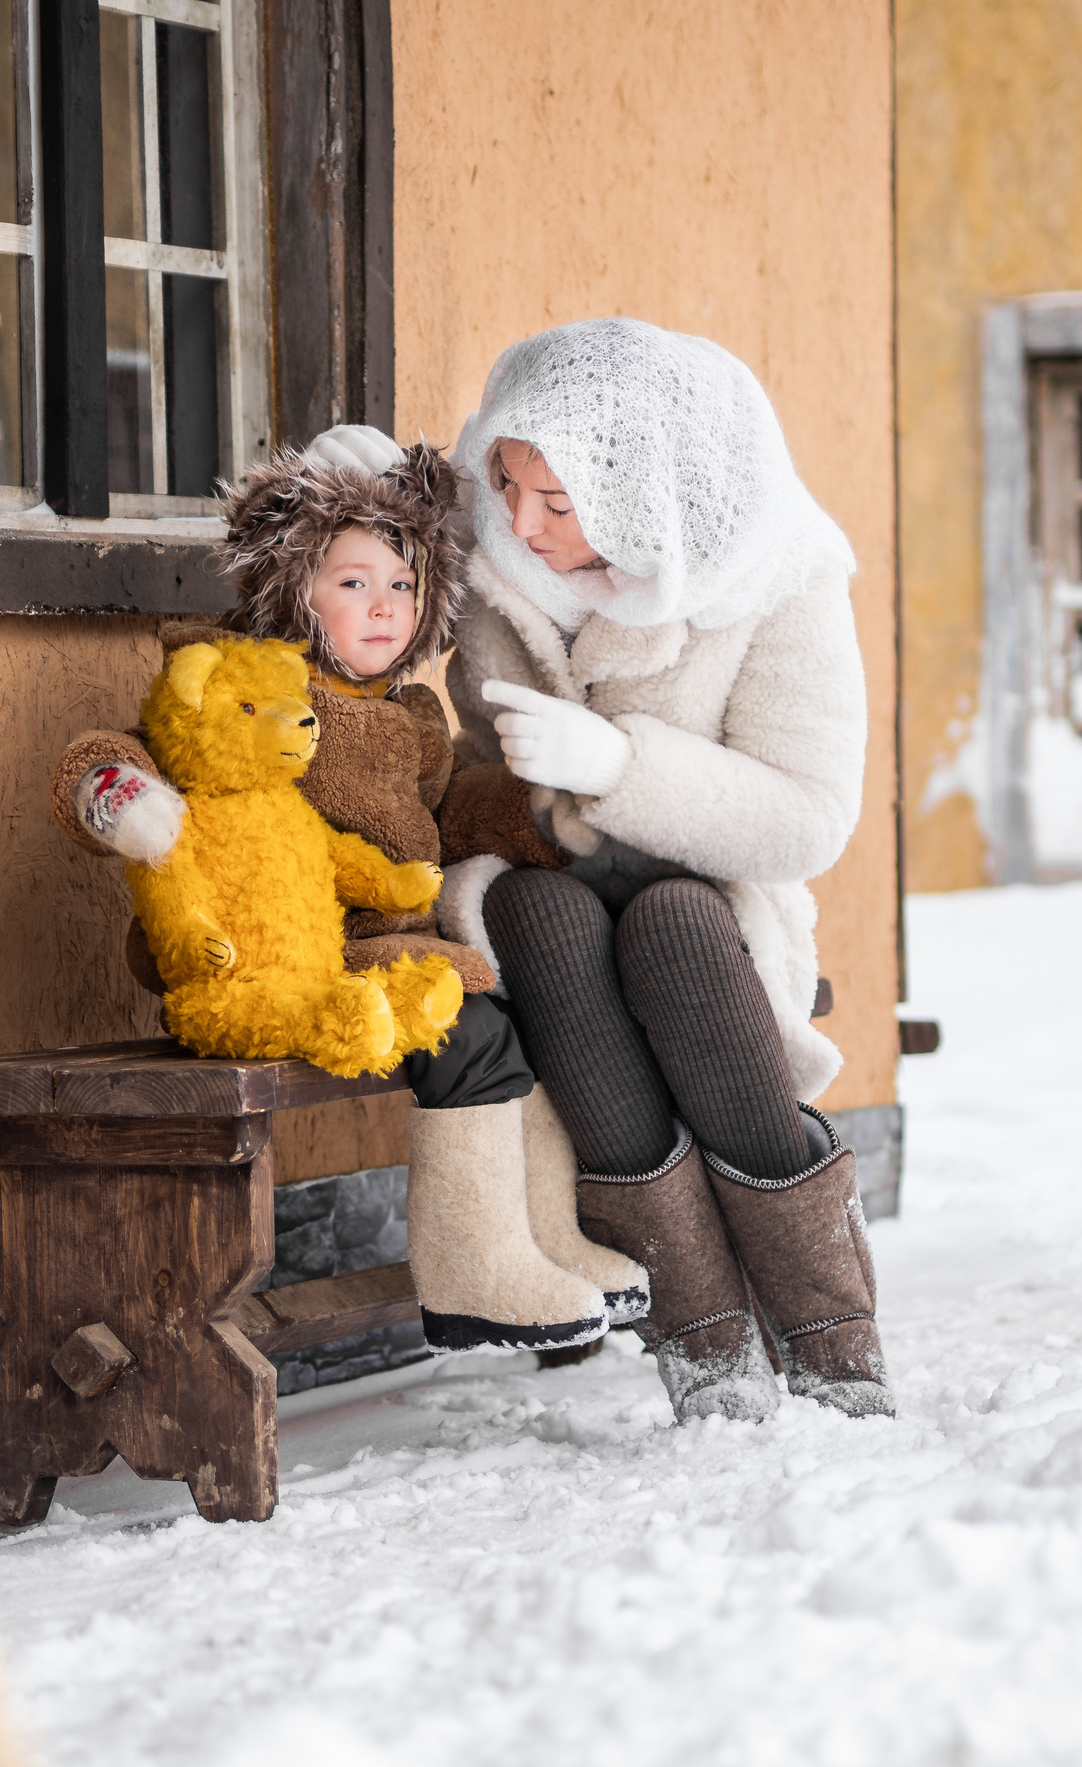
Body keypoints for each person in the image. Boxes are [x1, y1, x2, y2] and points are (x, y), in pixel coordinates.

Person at [309, 319, 890, 1423]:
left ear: (646, 498)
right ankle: (704, 1346)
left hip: (712, 888)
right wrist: (354, 483)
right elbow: (391, 525)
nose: (520, 522)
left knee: (671, 925)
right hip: (537, 854)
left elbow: (811, 814)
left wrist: (622, 767)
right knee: (536, 916)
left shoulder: (775, 573)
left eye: (558, 502)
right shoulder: (498, 526)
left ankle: (832, 1344)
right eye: (506, 481)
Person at [49, 443, 649, 1356]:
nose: (384, 606)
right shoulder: (243, 682)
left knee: (519, 1011)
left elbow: (450, 811)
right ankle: (473, 1270)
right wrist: (115, 793)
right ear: (295, 584)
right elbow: (135, 743)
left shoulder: (411, 718)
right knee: (468, 1029)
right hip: (278, 959)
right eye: (354, 582)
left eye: (403, 585)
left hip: (384, 936)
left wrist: (542, 811)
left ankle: (543, 1240)